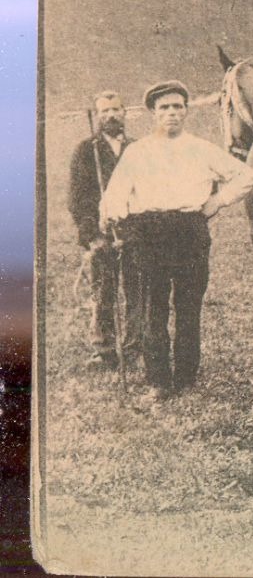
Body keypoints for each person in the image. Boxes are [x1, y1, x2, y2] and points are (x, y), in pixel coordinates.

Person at [99, 81, 253, 404]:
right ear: (153, 114)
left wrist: (217, 201)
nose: (171, 113)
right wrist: (114, 217)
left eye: (177, 107)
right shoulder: (138, 151)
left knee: (188, 307)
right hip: (148, 234)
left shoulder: (200, 148)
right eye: (164, 108)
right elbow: (113, 196)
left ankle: (186, 377)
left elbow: (247, 176)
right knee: (151, 309)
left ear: (185, 111)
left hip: (190, 231)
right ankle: (158, 381)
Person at [68, 91, 133, 372]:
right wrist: (90, 234)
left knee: (136, 290)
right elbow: (78, 196)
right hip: (102, 232)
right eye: (104, 111)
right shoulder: (87, 150)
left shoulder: (136, 147)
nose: (111, 115)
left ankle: (133, 346)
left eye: (116, 110)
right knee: (103, 291)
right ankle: (104, 348)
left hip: (133, 232)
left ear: (125, 112)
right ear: (97, 116)